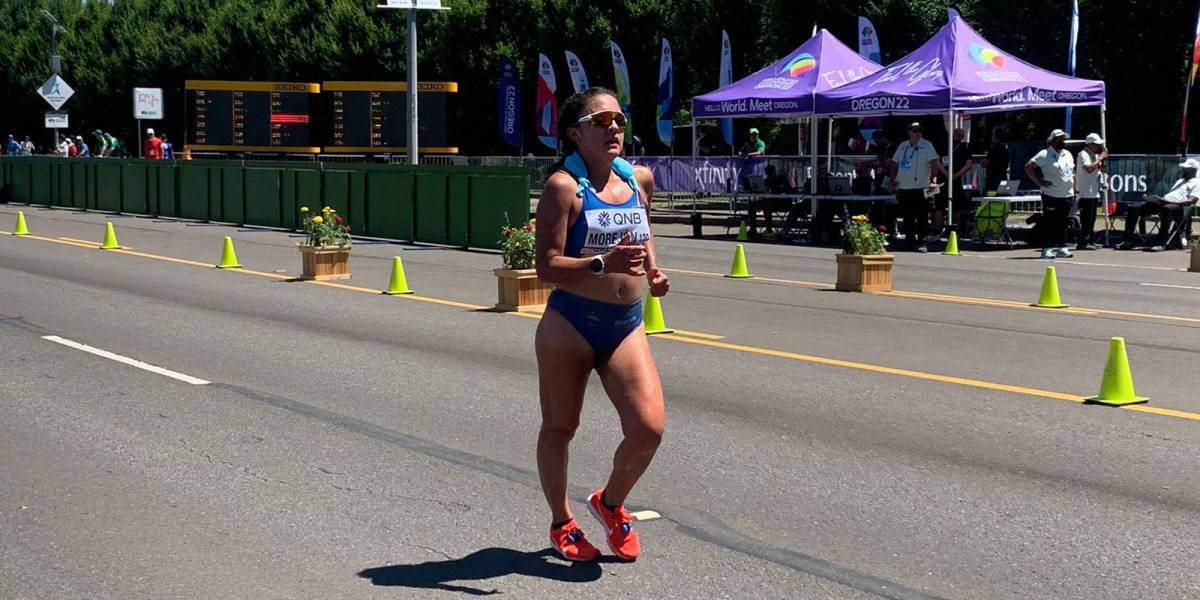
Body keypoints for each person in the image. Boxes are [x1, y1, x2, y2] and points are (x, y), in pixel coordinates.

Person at [533, 87, 669, 563]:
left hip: (625, 324)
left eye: (619, 118)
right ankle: (561, 521)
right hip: (569, 324)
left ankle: (609, 504)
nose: (614, 127)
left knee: (648, 428)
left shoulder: (639, 180)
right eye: (601, 120)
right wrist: (601, 262)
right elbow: (546, 267)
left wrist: (652, 269)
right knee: (560, 426)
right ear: (575, 134)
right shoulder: (562, 188)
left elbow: (643, 229)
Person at [888, 122, 946, 252]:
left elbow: (934, 163)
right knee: (907, 217)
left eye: (919, 130)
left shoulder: (927, 145)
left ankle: (922, 242)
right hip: (904, 187)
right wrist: (891, 181)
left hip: (921, 187)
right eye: (914, 130)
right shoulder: (903, 146)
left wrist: (933, 180)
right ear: (908, 132)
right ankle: (908, 243)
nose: (917, 133)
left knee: (922, 217)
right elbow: (895, 164)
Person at [1119, 159, 1200, 251]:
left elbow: (1190, 201)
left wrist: (1166, 202)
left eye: (1186, 169)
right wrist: (1156, 200)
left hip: (1180, 208)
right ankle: (1129, 240)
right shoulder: (1180, 181)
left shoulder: (1197, 183)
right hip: (1164, 202)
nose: (1183, 170)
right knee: (1134, 207)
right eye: (1184, 168)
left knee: (1167, 208)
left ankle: (1161, 242)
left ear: (1193, 170)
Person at [1025, 129, 1076, 259]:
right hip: (1051, 194)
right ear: (1052, 141)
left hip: (1067, 194)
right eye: (1059, 139)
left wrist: (1074, 188)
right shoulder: (1044, 154)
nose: (1062, 141)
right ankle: (1046, 248)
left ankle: (1062, 247)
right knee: (1050, 222)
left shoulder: (1068, 154)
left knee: (1064, 222)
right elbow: (1028, 166)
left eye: (1064, 139)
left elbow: (1072, 173)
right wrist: (1039, 181)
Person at [934, 127, 973, 241]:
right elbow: (969, 164)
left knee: (940, 205)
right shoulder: (964, 148)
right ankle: (953, 230)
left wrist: (946, 173)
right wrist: (956, 174)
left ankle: (939, 229)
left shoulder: (943, 146)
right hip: (954, 180)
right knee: (955, 206)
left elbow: (936, 161)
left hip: (944, 179)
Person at [1074, 133, 1108, 250]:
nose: (1099, 146)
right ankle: (1083, 242)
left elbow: (1098, 170)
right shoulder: (1083, 154)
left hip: (1093, 191)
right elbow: (1088, 169)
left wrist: (1102, 164)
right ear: (1091, 144)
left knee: (1092, 218)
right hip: (1085, 191)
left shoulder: (1094, 155)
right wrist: (1100, 159)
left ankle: (1090, 240)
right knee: (1086, 218)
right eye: (1097, 144)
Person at [982, 126, 1011, 192]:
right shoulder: (1006, 148)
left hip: (992, 180)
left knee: (990, 198)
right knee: (1002, 197)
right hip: (1003, 178)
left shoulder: (993, 148)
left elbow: (985, 164)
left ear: (996, 136)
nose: (992, 136)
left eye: (993, 134)